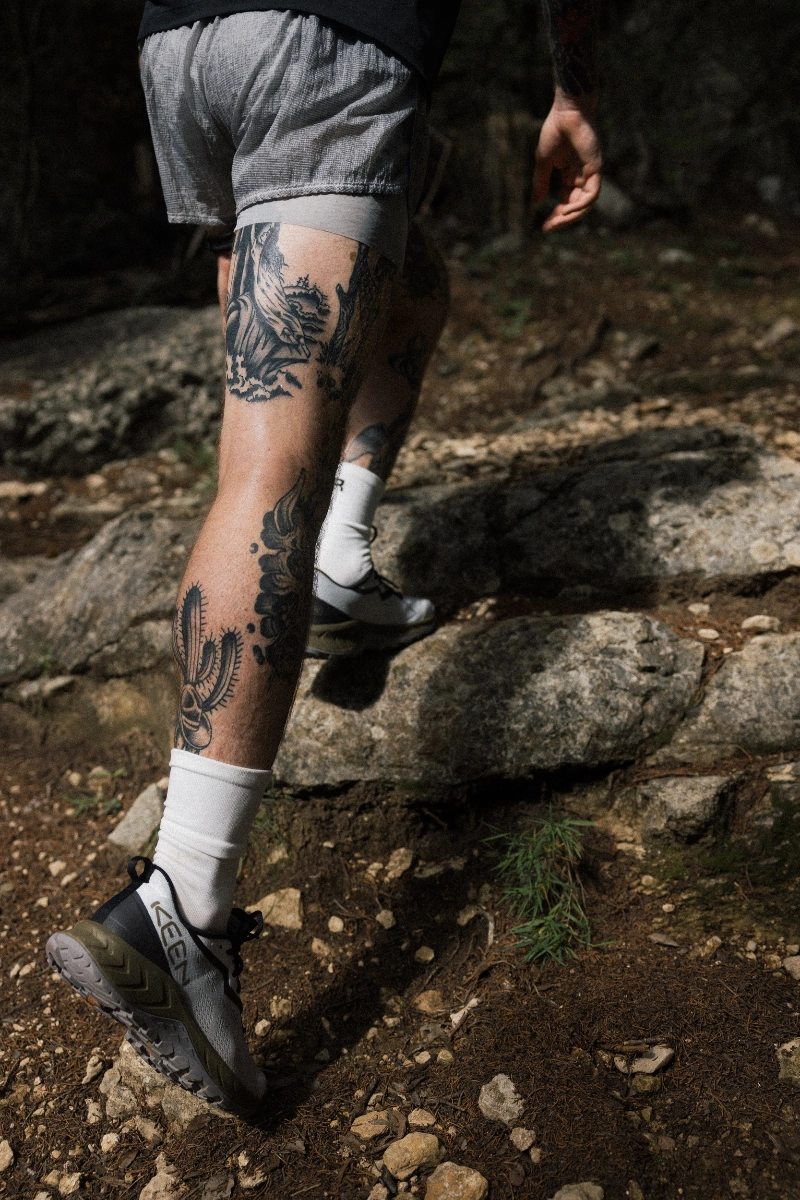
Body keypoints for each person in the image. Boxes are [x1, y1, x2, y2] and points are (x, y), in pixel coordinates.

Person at [46, 0, 602, 1115]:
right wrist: (571, 90)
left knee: (413, 280)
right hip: (330, 39)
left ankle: (342, 561)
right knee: (268, 476)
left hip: (185, 46)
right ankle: (183, 906)